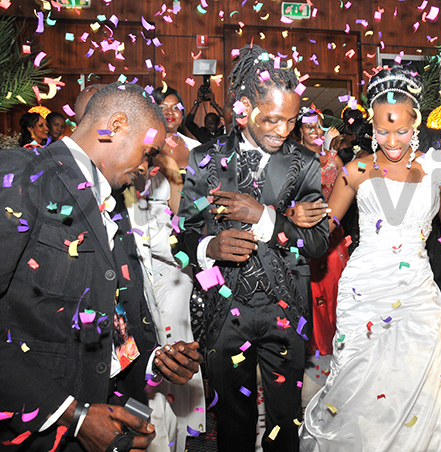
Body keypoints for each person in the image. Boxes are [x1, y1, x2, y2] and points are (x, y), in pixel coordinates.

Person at [0, 82, 203, 452]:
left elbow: (106, 304)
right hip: (34, 424)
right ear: (117, 125)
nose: (145, 169)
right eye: (147, 153)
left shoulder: (114, 203)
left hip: (100, 412)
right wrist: (71, 414)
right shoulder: (22, 175)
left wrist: (152, 360)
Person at [299, 65, 441, 451]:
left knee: (419, 379)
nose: (392, 140)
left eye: (402, 130)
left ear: (417, 124)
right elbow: (325, 227)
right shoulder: (356, 168)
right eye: (382, 130)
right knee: (362, 380)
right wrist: (291, 227)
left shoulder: (439, 170)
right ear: (371, 127)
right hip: (365, 289)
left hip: (418, 291)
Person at [176, 44, 328, 452]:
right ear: (243, 108)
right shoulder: (204, 160)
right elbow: (182, 236)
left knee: (284, 422)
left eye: (291, 120)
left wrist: (265, 216)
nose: (283, 130)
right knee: (233, 423)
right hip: (224, 312)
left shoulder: (306, 163)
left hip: (286, 310)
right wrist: (210, 245)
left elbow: (317, 241)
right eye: (273, 119)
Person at [124, 85, 205, 452]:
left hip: (175, 260)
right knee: (147, 336)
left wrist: (175, 172)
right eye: (163, 107)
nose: (170, 112)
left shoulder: (195, 149)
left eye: (177, 107)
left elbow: (194, 210)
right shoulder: (137, 146)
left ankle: (185, 423)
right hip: (138, 251)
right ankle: (152, 422)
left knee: (175, 333)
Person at [292, 106, 348, 356]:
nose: (315, 131)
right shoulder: (295, 157)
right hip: (304, 232)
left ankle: (341, 339)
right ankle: (316, 342)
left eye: (318, 125)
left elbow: (345, 194)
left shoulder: (334, 157)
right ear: (300, 133)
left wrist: (329, 152)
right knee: (312, 292)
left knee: (336, 287)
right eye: (308, 127)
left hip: (332, 231)